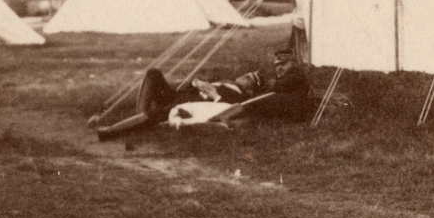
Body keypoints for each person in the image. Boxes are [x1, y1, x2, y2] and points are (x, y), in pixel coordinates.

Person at [96, 50, 312, 140]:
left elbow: (229, 108)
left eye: (248, 77)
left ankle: (112, 132)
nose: (243, 76)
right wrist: (198, 83)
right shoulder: (226, 82)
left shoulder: (237, 95)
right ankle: (139, 117)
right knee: (153, 74)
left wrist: (213, 92)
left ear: (250, 88)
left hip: (190, 104)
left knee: (158, 114)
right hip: (179, 95)